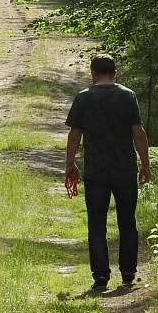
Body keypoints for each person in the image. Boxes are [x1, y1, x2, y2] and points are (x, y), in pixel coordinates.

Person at [64, 53, 151, 291]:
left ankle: (100, 276)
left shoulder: (84, 98)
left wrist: (70, 164)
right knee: (127, 222)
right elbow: (138, 133)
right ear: (115, 72)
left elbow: (74, 136)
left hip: (96, 171)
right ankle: (128, 272)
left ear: (93, 72)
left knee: (97, 224)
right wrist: (145, 164)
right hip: (124, 169)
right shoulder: (127, 96)